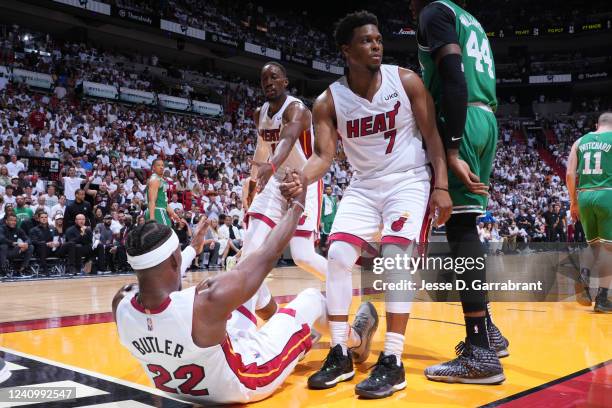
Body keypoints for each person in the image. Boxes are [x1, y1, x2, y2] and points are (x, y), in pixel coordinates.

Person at [280, 11, 451, 398]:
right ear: (346, 50)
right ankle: (340, 350)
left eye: (378, 40)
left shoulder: (405, 81)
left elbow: (432, 136)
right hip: (363, 185)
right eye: (366, 41)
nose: (376, 46)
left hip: (408, 180)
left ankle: (393, 359)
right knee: (338, 254)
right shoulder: (329, 100)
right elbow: (324, 156)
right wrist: (302, 177)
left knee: (394, 258)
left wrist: (441, 186)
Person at [112, 172, 376, 404]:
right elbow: (269, 252)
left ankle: (286, 327)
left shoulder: (121, 304)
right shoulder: (206, 301)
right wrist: (297, 205)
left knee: (251, 286)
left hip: (188, 384)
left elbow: (156, 280)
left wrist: (192, 248)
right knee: (310, 299)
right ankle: (356, 340)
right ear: (173, 258)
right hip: (247, 379)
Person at [411, 0, 507, 384]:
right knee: (465, 227)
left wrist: (450, 146)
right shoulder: (472, 20)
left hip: (461, 118)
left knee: (461, 231)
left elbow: (452, 73)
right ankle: (490, 333)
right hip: (485, 118)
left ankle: (480, 351)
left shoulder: (435, 12)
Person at [244, 61, 327, 283]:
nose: (269, 82)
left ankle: (339, 282)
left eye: (274, 77)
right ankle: (248, 308)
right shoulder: (259, 113)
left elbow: (287, 139)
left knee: (302, 256)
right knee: (250, 246)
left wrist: (271, 165)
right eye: (264, 79)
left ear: (285, 82)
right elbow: (261, 150)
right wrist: (254, 183)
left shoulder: (296, 109)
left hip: (304, 179)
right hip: (275, 179)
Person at [566, 112, 612, 313]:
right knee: (608, 249)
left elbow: (569, 174)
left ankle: (583, 274)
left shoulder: (580, 141)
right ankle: (602, 298)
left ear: (596, 125)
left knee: (593, 245)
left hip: (584, 196)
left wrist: (573, 202)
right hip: (607, 193)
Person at [145, 158, 179, 226]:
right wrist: (152, 219)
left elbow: (164, 202)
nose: (161, 167)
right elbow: (152, 201)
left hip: (159, 210)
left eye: (162, 165)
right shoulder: (155, 180)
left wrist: (173, 214)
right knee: (167, 234)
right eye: (158, 165)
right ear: (153, 168)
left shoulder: (160, 180)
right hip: (157, 211)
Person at [320, 185, 338, 255]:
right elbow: (321, 210)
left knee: (332, 238)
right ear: (325, 190)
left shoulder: (334, 199)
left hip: (332, 220)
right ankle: (323, 254)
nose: (328, 190)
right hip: (325, 220)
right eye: (327, 189)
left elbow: (335, 210)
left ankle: (331, 253)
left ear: (332, 190)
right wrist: (321, 221)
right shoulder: (323, 198)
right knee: (324, 237)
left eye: (330, 189)